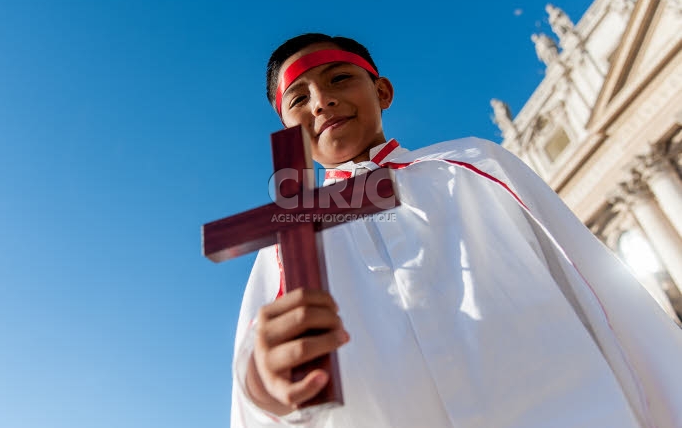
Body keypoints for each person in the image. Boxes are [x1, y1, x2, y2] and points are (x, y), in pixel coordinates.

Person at [231, 33, 682, 428]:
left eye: (339, 79)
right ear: (286, 130)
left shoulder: (472, 166)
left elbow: (600, 296)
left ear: (382, 90)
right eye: (298, 99)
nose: (321, 101)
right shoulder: (286, 243)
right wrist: (266, 389)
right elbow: (258, 401)